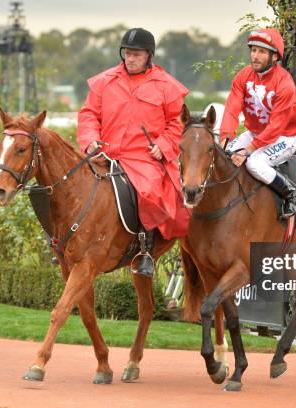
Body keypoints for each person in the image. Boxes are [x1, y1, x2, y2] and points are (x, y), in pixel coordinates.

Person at [77, 27, 189, 276]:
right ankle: (69, 246)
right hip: (104, 154)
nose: (130, 59)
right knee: (74, 184)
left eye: (136, 54)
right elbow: (88, 115)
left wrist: (163, 145)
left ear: (149, 55)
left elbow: (178, 122)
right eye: (127, 53)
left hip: (143, 157)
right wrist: (90, 140)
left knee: (148, 190)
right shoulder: (104, 81)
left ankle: (145, 252)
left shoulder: (166, 85)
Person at [219, 28, 296, 219]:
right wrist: (225, 137)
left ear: (274, 57)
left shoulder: (285, 83)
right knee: (225, 157)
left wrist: (248, 150)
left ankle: (293, 194)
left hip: (283, 137)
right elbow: (231, 108)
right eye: (253, 50)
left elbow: (276, 126)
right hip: (255, 133)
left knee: (254, 163)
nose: (255, 56)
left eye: (262, 52)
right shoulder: (243, 76)